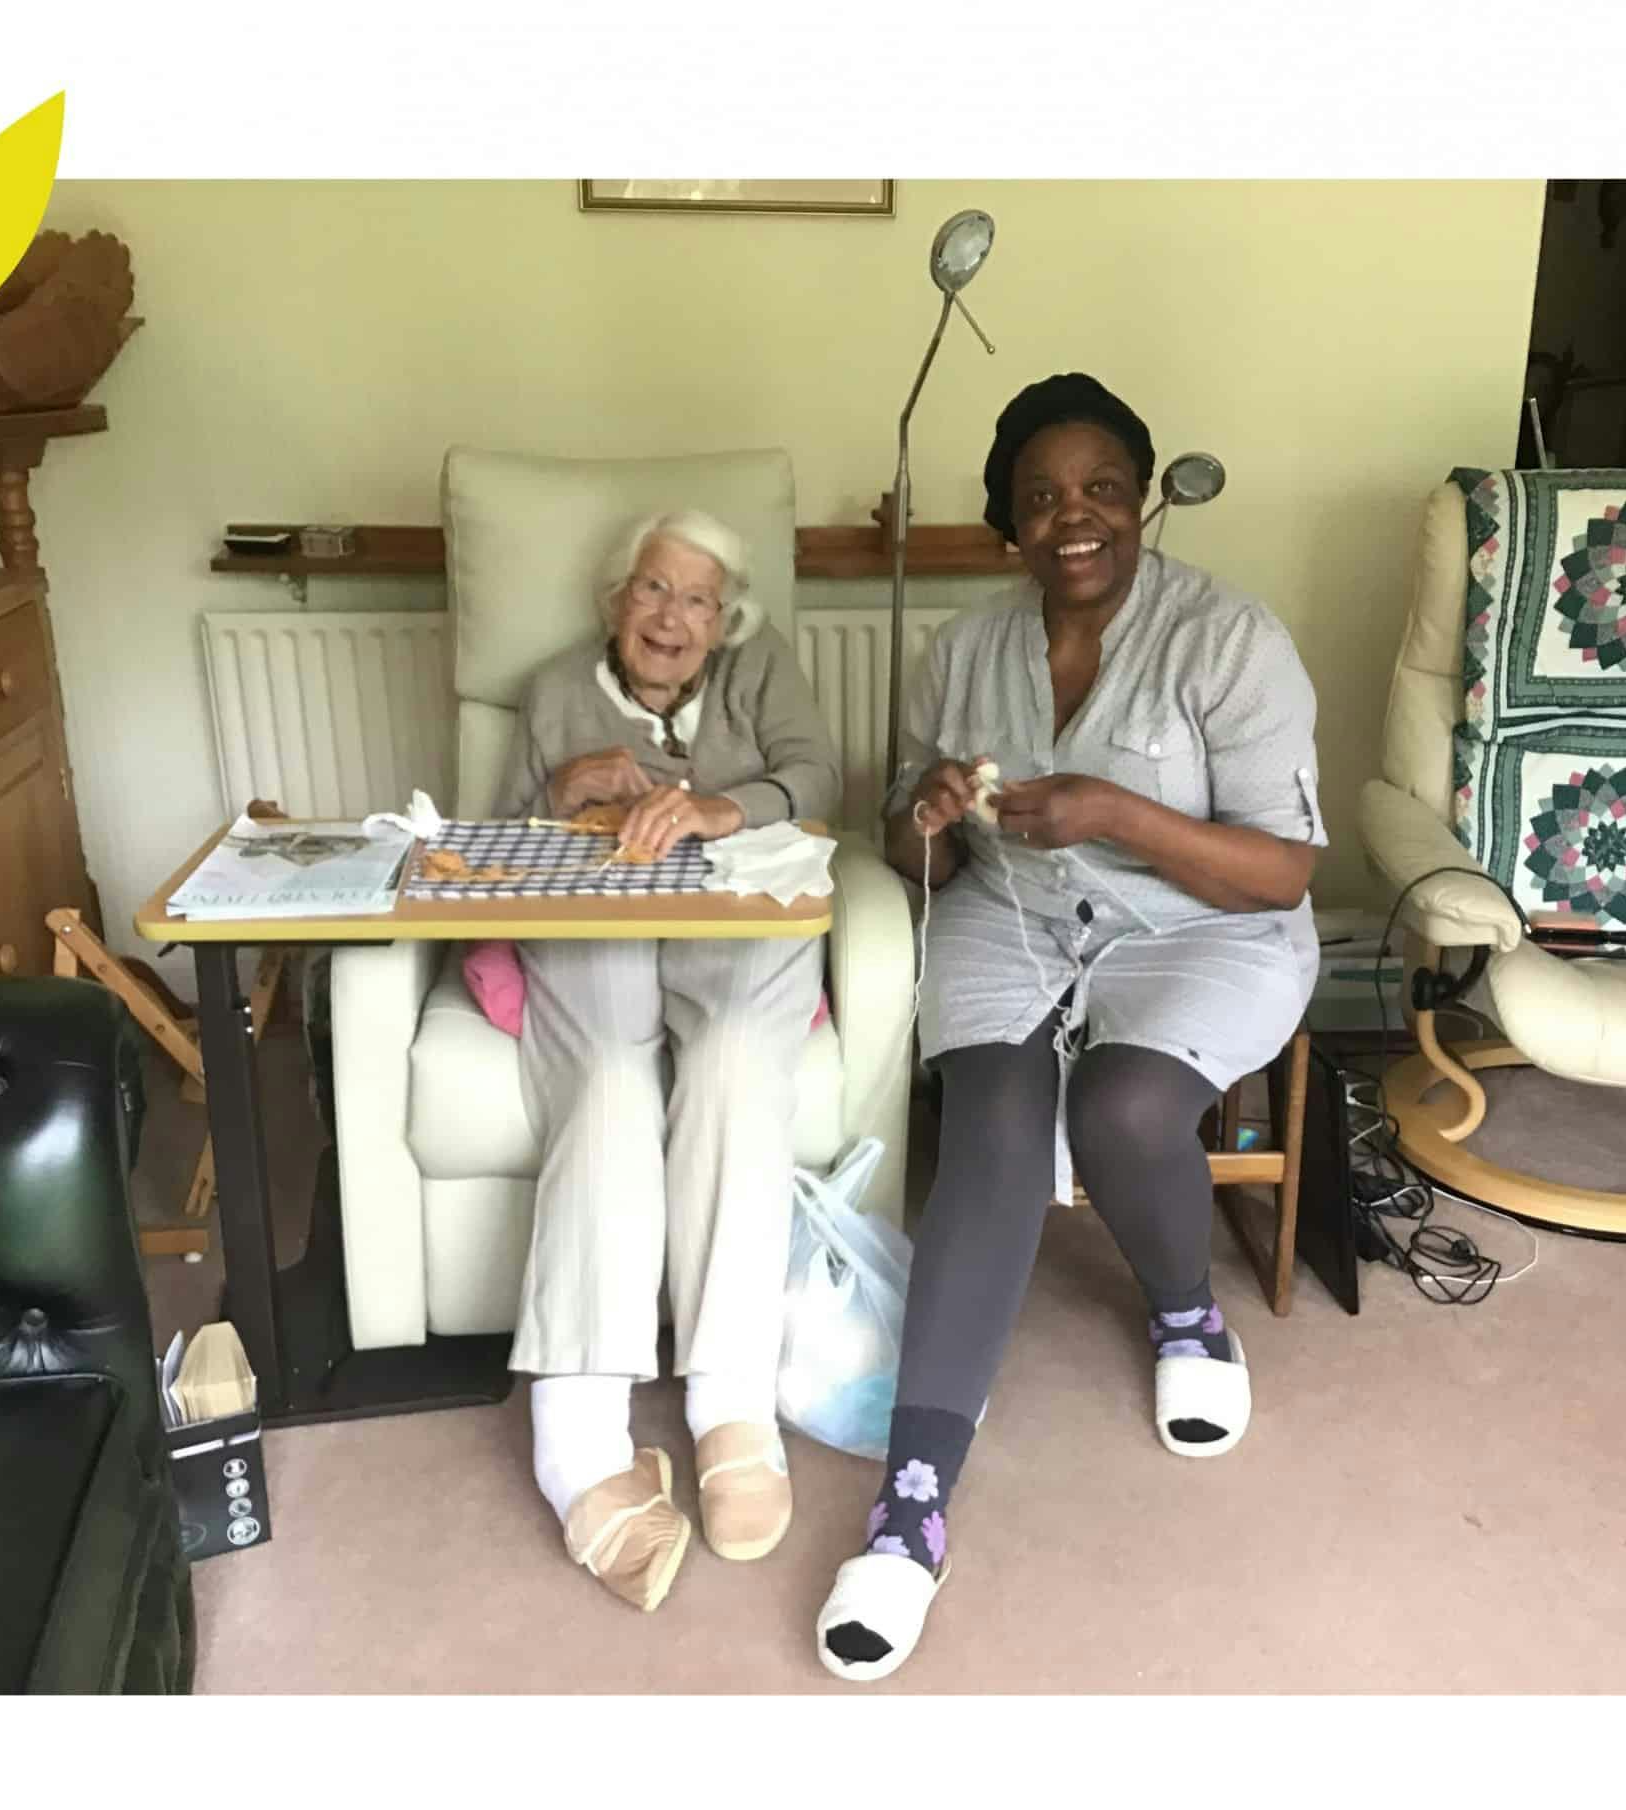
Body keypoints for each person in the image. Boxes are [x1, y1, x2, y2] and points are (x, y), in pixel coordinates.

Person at [815, 374, 1326, 1680]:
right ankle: (911, 1504)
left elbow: (1281, 872)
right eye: (1041, 500)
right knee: (986, 1121)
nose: (1074, 519)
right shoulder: (963, 650)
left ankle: (1185, 1315)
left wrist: (1121, 813)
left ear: (1143, 499)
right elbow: (911, 854)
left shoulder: (1230, 638)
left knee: (1121, 1106)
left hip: (1203, 929)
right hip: (1017, 917)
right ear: (1009, 528)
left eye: (1102, 489)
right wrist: (923, 819)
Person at [493, 508, 840, 1612]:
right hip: (595, 913)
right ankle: (579, 1424)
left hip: (736, 906)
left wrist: (718, 807)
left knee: (737, 1055)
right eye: (652, 591)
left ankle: (729, 1396)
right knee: (605, 1074)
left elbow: (815, 776)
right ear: (614, 603)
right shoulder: (552, 689)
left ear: (723, 618)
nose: (671, 617)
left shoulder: (760, 668)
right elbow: (495, 834)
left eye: (696, 599)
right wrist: (557, 798)